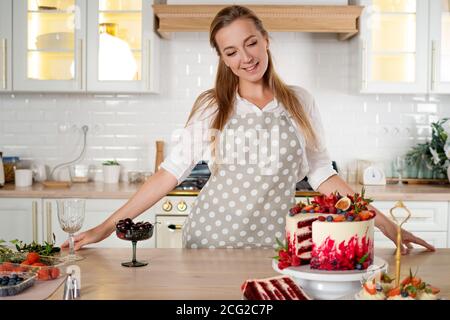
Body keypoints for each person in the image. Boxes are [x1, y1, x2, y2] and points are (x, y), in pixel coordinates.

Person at [63, 5, 435, 254]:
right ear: (223, 58)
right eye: (231, 51)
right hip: (210, 238)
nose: (246, 57)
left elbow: (322, 174)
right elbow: (170, 173)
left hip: (275, 243)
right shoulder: (213, 105)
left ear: (266, 39)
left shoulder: (299, 102)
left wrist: (383, 223)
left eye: (251, 43)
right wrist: (106, 227)